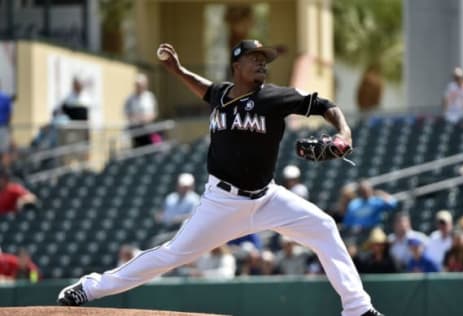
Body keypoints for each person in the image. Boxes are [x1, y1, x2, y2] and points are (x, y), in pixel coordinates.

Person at [58, 40, 383, 316]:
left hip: (267, 198)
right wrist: (178, 71)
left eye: (264, 61)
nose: (262, 64)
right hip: (222, 202)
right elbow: (207, 90)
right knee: (170, 254)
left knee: (323, 226)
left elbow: (324, 105)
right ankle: (88, 288)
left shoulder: (273, 98)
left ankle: (357, 308)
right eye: (255, 59)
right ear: (236, 66)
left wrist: (344, 132)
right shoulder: (222, 95)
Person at [124, 74, 159, 148]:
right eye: (138, 85)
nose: (140, 87)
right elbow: (127, 113)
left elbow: (154, 113)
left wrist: (146, 119)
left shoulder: (149, 96)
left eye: (142, 85)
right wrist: (136, 119)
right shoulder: (130, 98)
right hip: (135, 131)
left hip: (148, 130)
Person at [0, 83, 12, 169]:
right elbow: (9, 115)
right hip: (4, 127)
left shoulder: (5, 98)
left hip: (3, 127)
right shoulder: (6, 98)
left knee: (4, 151)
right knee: (4, 151)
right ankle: (4, 172)